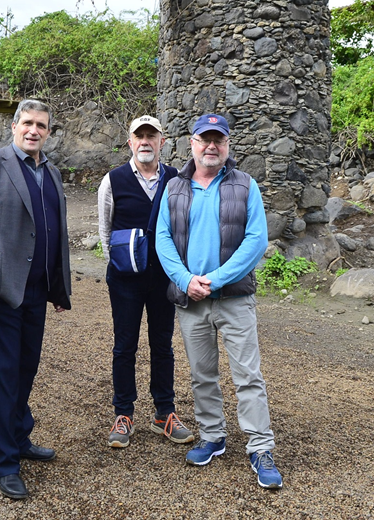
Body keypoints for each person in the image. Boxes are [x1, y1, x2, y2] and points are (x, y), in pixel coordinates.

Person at [155, 113, 284, 489]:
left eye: (219, 140)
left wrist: (214, 280)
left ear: (228, 146)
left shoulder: (245, 185)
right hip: (190, 299)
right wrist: (184, 279)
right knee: (202, 375)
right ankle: (212, 436)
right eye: (204, 139)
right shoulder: (175, 188)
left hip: (233, 299)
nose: (211, 146)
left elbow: (256, 240)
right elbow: (162, 238)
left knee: (248, 377)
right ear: (191, 143)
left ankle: (260, 447)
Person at [0, 99, 71, 500]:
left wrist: (58, 286)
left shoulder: (51, 172)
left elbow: (54, 233)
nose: (33, 130)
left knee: (26, 370)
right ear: (14, 126)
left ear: (48, 132)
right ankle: (3, 462)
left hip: (36, 292)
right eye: (27, 123)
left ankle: (19, 437)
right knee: (1, 377)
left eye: (41, 124)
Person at [97, 115, 193, 448]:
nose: (145, 141)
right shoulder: (113, 180)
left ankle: (164, 413)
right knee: (124, 345)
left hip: (164, 278)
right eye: (139, 136)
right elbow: (105, 231)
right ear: (130, 142)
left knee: (162, 345)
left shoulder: (177, 178)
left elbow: (184, 224)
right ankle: (123, 413)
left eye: (152, 136)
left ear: (162, 142)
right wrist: (123, 263)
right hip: (125, 279)